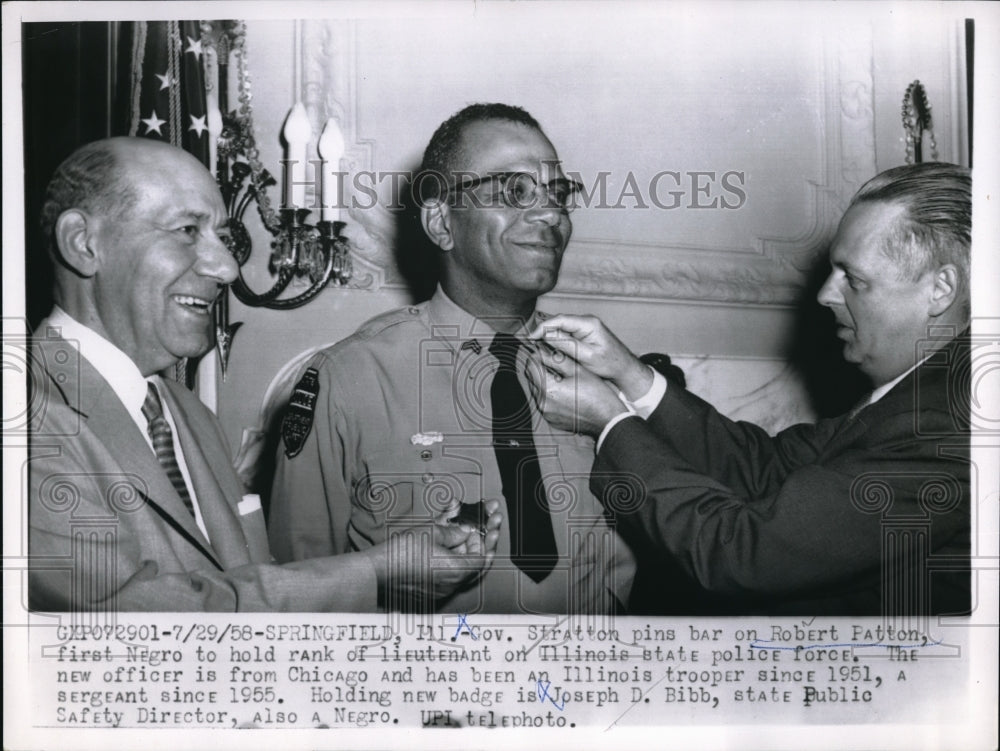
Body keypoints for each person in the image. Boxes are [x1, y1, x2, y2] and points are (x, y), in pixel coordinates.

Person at [27, 136, 500, 612]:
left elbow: (246, 582)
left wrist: (402, 570)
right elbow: (133, 629)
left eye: (223, 238)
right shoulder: (24, 421)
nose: (228, 267)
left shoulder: (185, 412)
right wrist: (376, 573)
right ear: (83, 244)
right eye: (188, 230)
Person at [527, 162, 971, 615]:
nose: (825, 294)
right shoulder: (921, 394)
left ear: (940, 289)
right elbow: (765, 468)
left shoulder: (947, 425)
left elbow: (739, 554)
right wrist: (629, 373)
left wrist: (610, 424)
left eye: (853, 280)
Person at [269, 103, 636, 613]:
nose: (551, 214)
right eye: (516, 191)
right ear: (441, 222)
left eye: (558, 193)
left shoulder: (604, 373)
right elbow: (299, 593)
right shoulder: (349, 380)